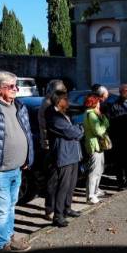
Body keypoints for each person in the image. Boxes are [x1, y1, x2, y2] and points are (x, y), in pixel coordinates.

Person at [0, 71, 35, 253]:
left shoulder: (19, 106)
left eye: (16, 86)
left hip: (17, 168)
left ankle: (9, 238)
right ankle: (1, 248)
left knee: (11, 206)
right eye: (11, 86)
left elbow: (27, 133)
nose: (16, 89)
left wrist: (28, 156)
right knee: (1, 210)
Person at [43, 90, 84, 227]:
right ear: (58, 101)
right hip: (63, 155)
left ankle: (67, 208)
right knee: (62, 186)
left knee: (71, 185)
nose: (68, 101)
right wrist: (79, 130)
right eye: (65, 99)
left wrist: (77, 130)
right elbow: (70, 131)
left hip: (73, 154)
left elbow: (73, 130)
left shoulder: (63, 113)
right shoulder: (53, 116)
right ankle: (58, 215)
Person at [107, 83, 127, 189]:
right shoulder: (114, 105)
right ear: (121, 92)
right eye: (126, 91)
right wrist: (125, 133)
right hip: (120, 138)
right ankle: (120, 181)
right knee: (119, 161)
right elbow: (113, 123)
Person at [83, 94, 109, 203]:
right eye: (98, 102)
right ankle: (90, 196)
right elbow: (98, 131)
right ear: (94, 103)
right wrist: (105, 124)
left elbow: (105, 123)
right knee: (94, 171)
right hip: (94, 145)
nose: (100, 103)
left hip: (99, 145)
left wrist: (103, 119)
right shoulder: (91, 115)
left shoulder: (95, 114)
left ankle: (95, 190)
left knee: (100, 169)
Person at [38, 79, 67, 150]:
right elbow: (58, 123)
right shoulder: (49, 104)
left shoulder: (48, 101)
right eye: (62, 90)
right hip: (52, 142)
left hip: (51, 141)